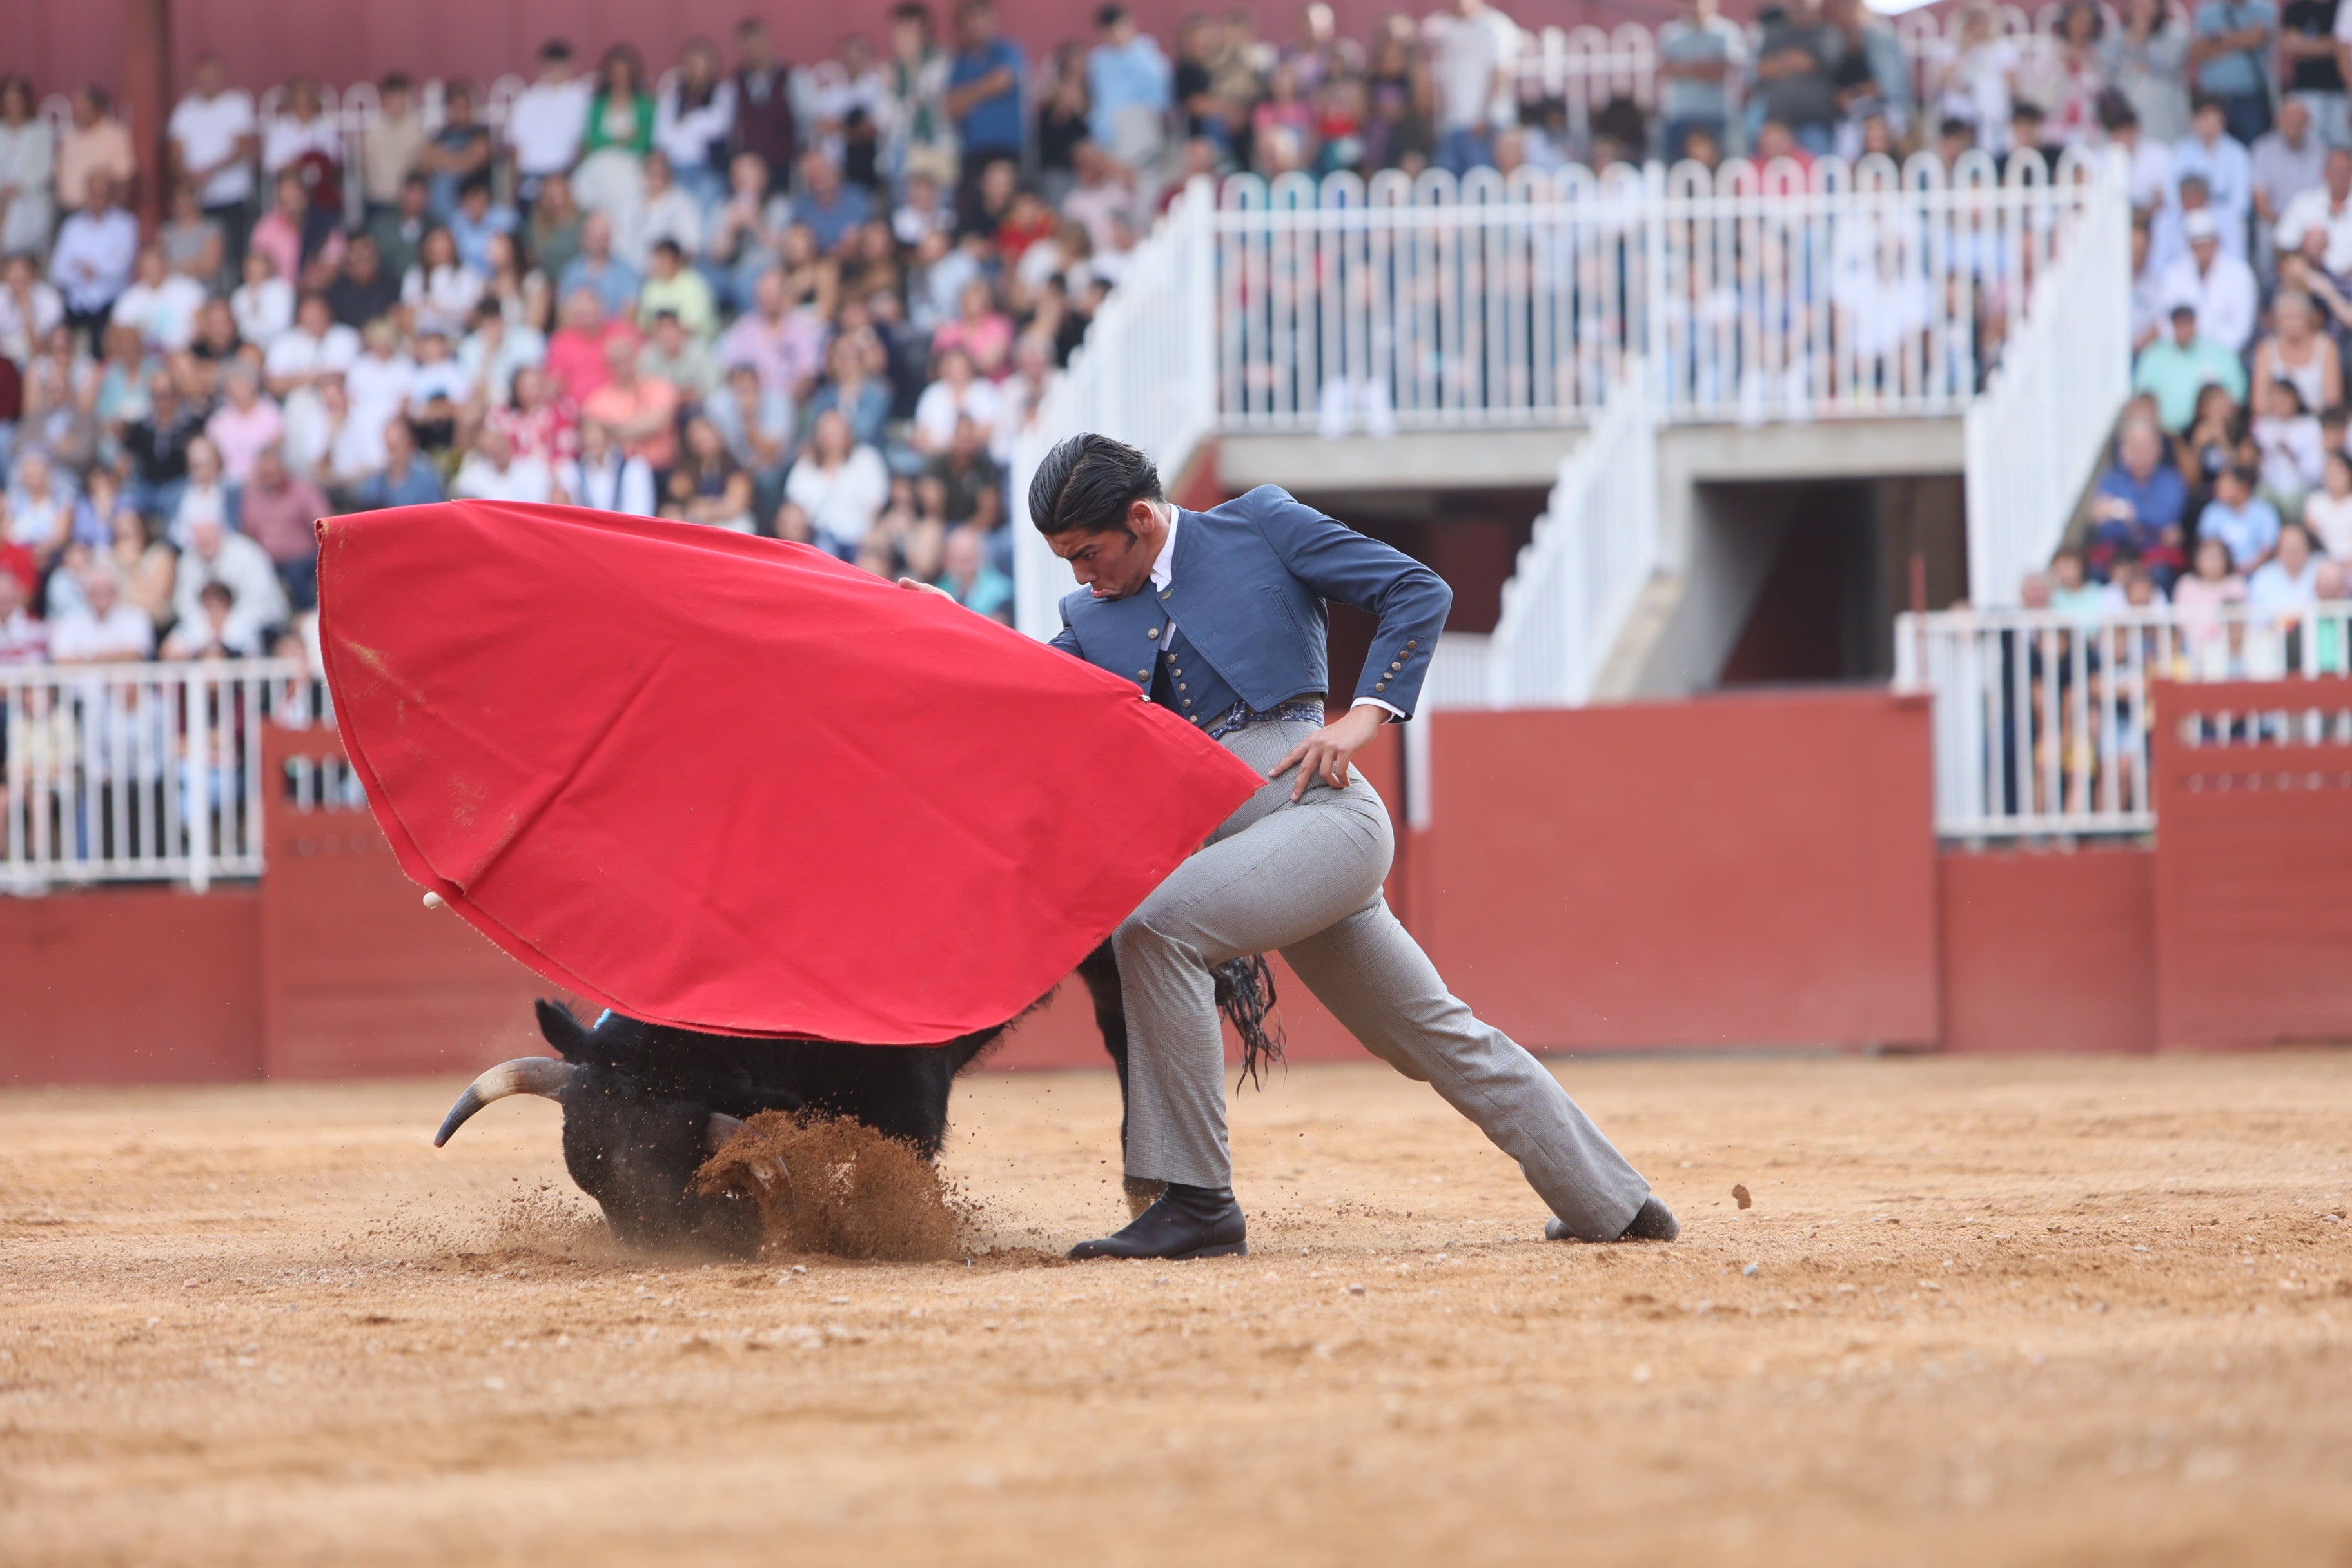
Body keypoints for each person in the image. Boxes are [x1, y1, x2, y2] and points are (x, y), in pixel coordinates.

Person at [963, 435, 1670, 1260]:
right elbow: (1026, 695)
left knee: (1156, 930)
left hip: (1325, 819)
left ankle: (1198, 1203)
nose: (1082, 576)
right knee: (1433, 1033)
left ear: (1143, 517)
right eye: (1066, 561)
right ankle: (1613, 1203)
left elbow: (1416, 588)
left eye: (1089, 553)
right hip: (1252, 848)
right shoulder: (1089, 618)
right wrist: (942, 629)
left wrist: (1362, 715)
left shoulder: (1258, 524)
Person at [779, 407, 890, 556]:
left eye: (836, 434)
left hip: (857, 540)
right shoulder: (805, 465)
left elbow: (876, 505)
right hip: (813, 539)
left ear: (848, 434)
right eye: (827, 434)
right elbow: (794, 506)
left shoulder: (866, 459)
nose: (832, 440)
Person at [1431, 0, 1521, 174]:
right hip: (1453, 125)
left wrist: (1485, 117)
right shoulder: (1448, 28)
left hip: (1485, 126)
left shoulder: (1497, 27)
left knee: (1483, 185)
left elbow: (1501, 73)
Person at [48, 173, 139, 343]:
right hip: (76, 304)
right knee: (58, 338)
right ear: (86, 195)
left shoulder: (126, 224)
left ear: (111, 194)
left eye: (102, 193)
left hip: (111, 304)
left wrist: (85, 269)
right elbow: (58, 271)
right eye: (93, 194)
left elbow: (120, 269)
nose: (98, 199)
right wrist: (91, 272)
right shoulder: (71, 226)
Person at [174, 512, 289, 643]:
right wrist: (205, 628)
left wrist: (228, 628)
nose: (204, 541)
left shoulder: (248, 553)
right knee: (175, 647)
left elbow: (259, 601)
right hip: (205, 629)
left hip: (262, 625)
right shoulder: (188, 560)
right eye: (199, 537)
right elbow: (184, 603)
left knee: (245, 645)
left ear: (221, 532)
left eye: (208, 534)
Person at [237, 446, 328, 611]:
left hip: (303, 558)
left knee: (295, 572)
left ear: (283, 468)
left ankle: (310, 614)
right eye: (265, 473)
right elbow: (248, 533)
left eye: (273, 470)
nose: (269, 476)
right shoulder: (252, 496)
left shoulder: (303, 490)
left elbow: (324, 523)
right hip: (268, 561)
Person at [946, 0, 1026, 187]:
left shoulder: (1007, 50)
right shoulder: (960, 62)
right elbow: (951, 108)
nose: (977, 25)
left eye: (982, 18)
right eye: (972, 19)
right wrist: (985, 88)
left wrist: (967, 94)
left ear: (993, 20)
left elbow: (1003, 80)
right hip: (973, 150)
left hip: (1006, 147)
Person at [2132, 302, 2248, 428]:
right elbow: (2141, 395)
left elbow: (2236, 395)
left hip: (2209, 430)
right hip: (2163, 434)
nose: (2183, 329)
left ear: (2195, 324)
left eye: (2187, 323)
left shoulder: (2218, 354)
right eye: (2179, 324)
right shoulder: (2154, 356)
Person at [507, 41, 593, 210]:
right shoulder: (528, 99)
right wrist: (513, 186)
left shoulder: (581, 98)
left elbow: (583, 144)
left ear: (570, 65)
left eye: (560, 65)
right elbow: (516, 146)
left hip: (565, 174)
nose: (555, 70)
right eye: (550, 65)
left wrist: (570, 179)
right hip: (531, 176)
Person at [1658, 0, 1747, 159]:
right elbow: (1663, 70)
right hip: (1679, 114)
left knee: (1719, 170)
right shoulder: (1670, 33)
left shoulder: (1727, 32)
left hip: (1716, 114)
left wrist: (1683, 68)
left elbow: (1723, 70)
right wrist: (1700, 67)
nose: (1694, 7)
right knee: (1677, 169)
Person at [2161, 208, 2259, 350]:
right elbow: (2165, 323)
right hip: (2180, 353)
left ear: (2217, 241)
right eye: (2197, 243)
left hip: (2226, 354)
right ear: (2189, 244)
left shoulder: (2240, 274)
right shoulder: (2173, 274)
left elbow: (2242, 327)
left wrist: (2212, 351)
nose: (2202, 249)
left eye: (2206, 242)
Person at [2190, 0, 2277, 144]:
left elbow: (2256, 39)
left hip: (2250, 98)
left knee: (2253, 148)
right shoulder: (2205, 11)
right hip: (2214, 98)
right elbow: (2197, 52)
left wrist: (2216, 39)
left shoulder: (2264, 8)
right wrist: (2244, 37)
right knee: (2212, 148)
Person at [0, 75, 57, 260]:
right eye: (8, 102)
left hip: (30, 205)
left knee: (28, 260)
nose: (13, 107)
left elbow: (45, 169)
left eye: (17, 101)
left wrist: (20, 186)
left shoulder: (41, 131)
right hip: (2, 206)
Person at [556, 419, 657, 514]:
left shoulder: (635, 468)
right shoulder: (571, 472)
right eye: (587, 433)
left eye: (597, 432)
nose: (592, 439)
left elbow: (640, 513)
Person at [2200, 462, 2283, 567]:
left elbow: (2269, 549)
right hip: (2221, 576)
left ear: (2243, 487)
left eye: (2225, 485)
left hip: (2258, 573)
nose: (2218, 489)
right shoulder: (2212, 511)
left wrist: (2246, 570)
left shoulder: (2265, 512)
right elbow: (2206, 546)